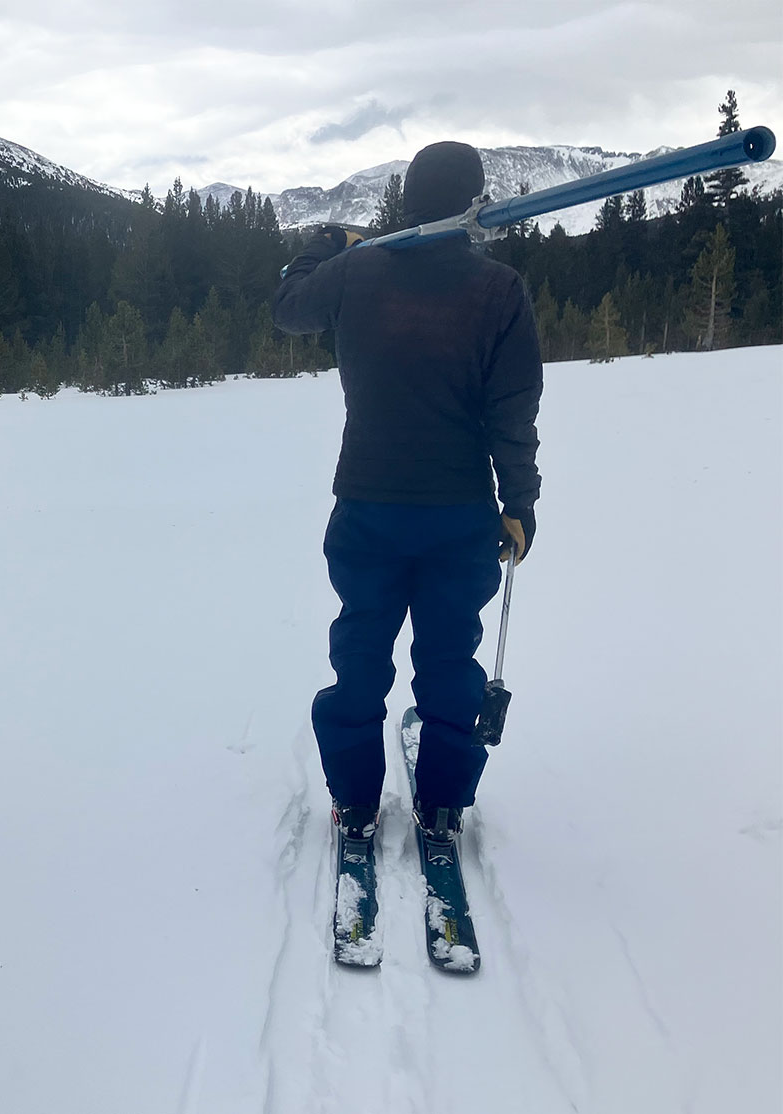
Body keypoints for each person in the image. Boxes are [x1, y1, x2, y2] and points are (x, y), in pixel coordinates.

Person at [271, 141, 542, 845]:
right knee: (451, 661)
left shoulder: (355, 273)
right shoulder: (498, 288)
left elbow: (290, 308)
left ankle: (356, 803)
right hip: (459, 516)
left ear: (407, 200)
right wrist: (518, 502)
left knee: (360, 653)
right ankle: (444, 803)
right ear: (475, 202)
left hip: (368, 509)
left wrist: (320, 248)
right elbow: (513, 409)